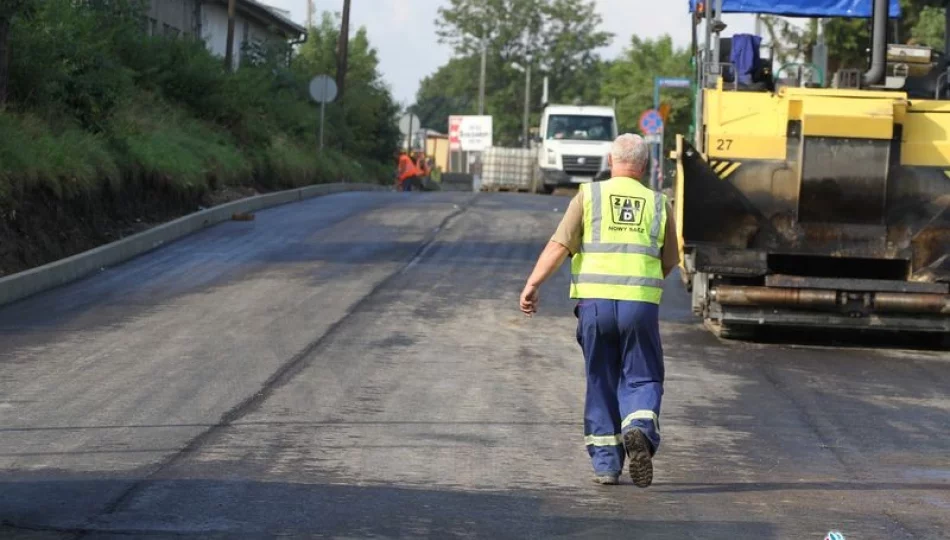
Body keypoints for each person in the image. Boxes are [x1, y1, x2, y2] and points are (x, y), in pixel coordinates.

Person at [519, 133, 680, 487]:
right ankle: (638, 428)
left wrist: (533, 284)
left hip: (594, 305)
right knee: (643, 376)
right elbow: (669, 261)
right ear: (646, 165)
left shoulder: (589, 195)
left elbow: (559, 245)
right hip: (639, 305)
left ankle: (607, 464)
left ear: (611, 161)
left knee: (600, 378)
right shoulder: (658, 203)